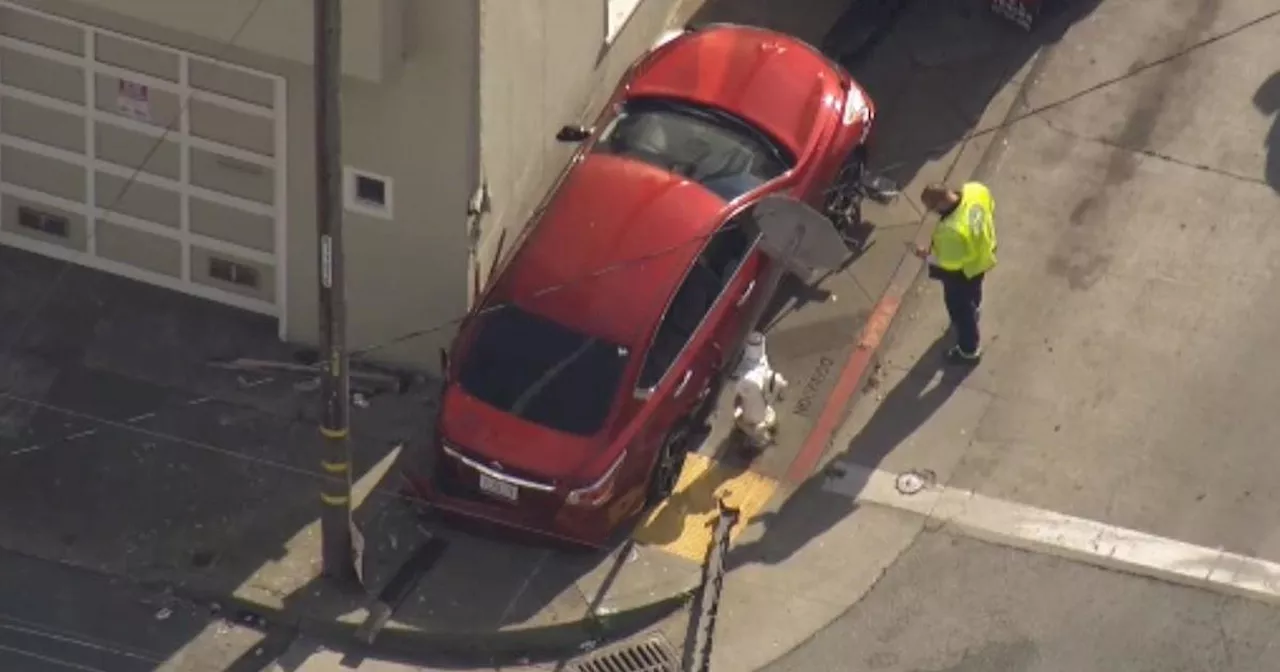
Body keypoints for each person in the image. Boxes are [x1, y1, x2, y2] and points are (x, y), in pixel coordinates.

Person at [913, 182, 998, 364]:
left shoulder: (950, 230)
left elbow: (949, 264)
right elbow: (990, 207)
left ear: (939, 205)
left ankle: (969, 351)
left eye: (931, 209)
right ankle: (975, 307)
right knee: (975, 290)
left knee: (960, 309)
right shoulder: (976, 191)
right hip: (984, 253)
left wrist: (926, 256)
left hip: (964, 271)